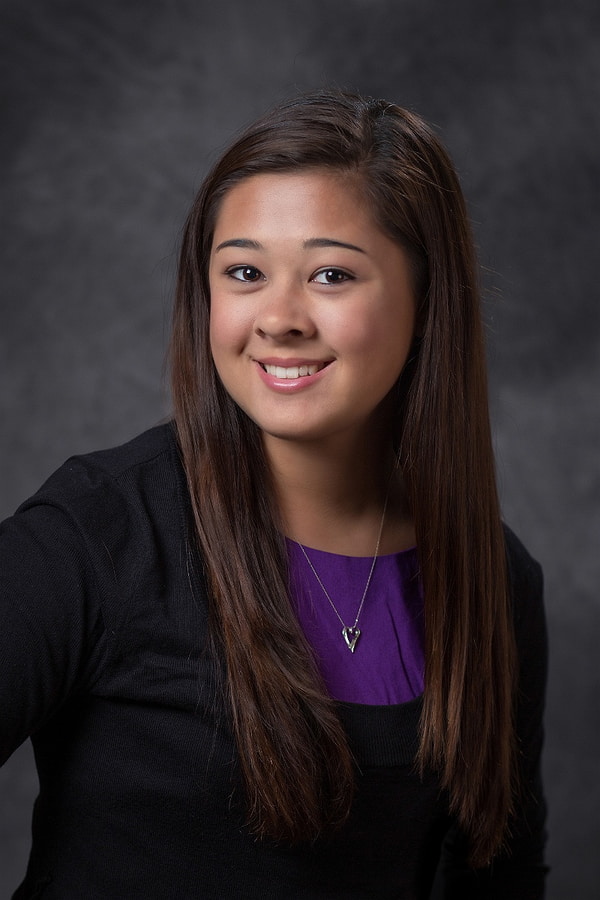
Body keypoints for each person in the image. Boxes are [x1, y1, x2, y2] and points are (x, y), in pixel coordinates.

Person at [0, 90, 547, 898]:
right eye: (245, 272)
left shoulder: (495, 580)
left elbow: (498, 880)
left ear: (428, 302)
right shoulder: (97, 533)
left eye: (331, 274)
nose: (279, 318)